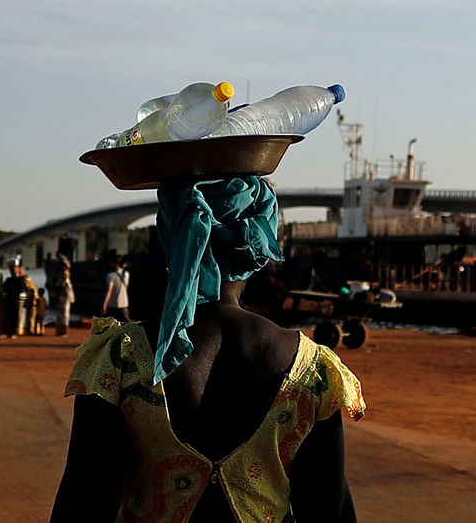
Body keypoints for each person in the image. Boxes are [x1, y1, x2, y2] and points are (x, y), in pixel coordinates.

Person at [52, 176, 366, 521]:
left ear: (169, 236)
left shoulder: (119, 359)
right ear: (258, 246)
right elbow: (329, 509)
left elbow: (83, 501)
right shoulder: (313, 370)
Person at [101, 251, 130, 322]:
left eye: (111, 263)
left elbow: (109, 291)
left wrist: (104, 304)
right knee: (126, 327)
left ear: (116, 263)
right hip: (124, 304)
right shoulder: (126, 274)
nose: (110, 264)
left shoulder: (110, 275)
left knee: (112, 328)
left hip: (113, 306)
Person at [2, 262, 26, 339]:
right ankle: (8, 332)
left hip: (15, 300)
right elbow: (4, 289)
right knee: (8, 316)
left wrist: (21, 300)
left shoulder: (18, 281)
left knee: (13, 317)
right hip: (10, 300)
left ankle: (12, 332)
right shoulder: (10, 280)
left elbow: (23, 291)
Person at [54, 260, 74, 337]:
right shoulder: (63, 277)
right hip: (63, 296)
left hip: (64, 296)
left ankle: (62, 330)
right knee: (62, 313)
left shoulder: (64, 278)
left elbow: (63, 287)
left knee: (64, 313)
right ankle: (61, 330)